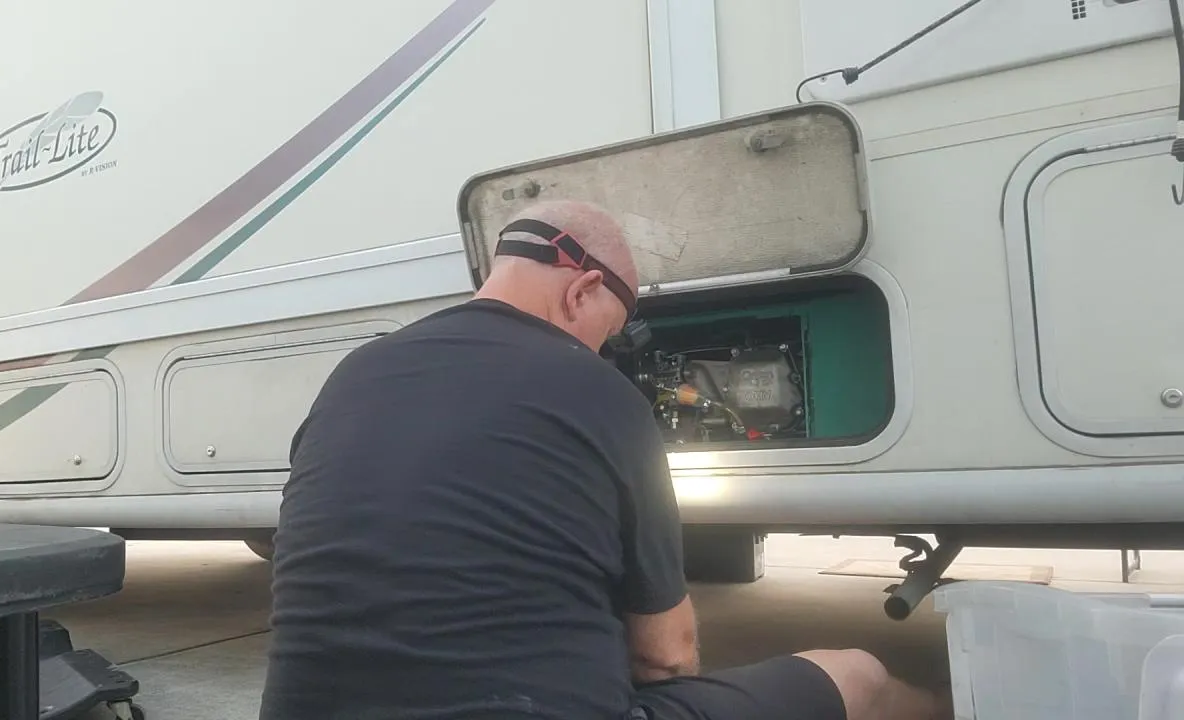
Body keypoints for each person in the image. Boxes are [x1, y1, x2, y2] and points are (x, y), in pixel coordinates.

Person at [259, 199, 948, 720]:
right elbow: (664, 657)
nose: (604, 350)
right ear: (582, 289)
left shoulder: (357, 372)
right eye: (610, 332)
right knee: (858, 675)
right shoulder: (598, 391)